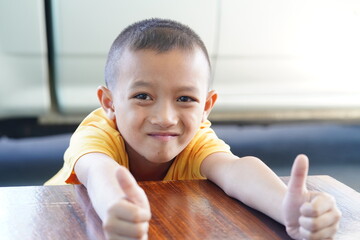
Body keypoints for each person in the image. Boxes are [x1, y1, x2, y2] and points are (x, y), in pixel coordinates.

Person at [46, 18, 341, 240]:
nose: (165, 117)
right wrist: (115, 205)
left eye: (185, 99)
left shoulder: (195, 141)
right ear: (109, 103)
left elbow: (235, 171)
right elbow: (98, 172)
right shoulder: (98, 131)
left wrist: (287, 207)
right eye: (142, 96)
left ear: (206, 107)